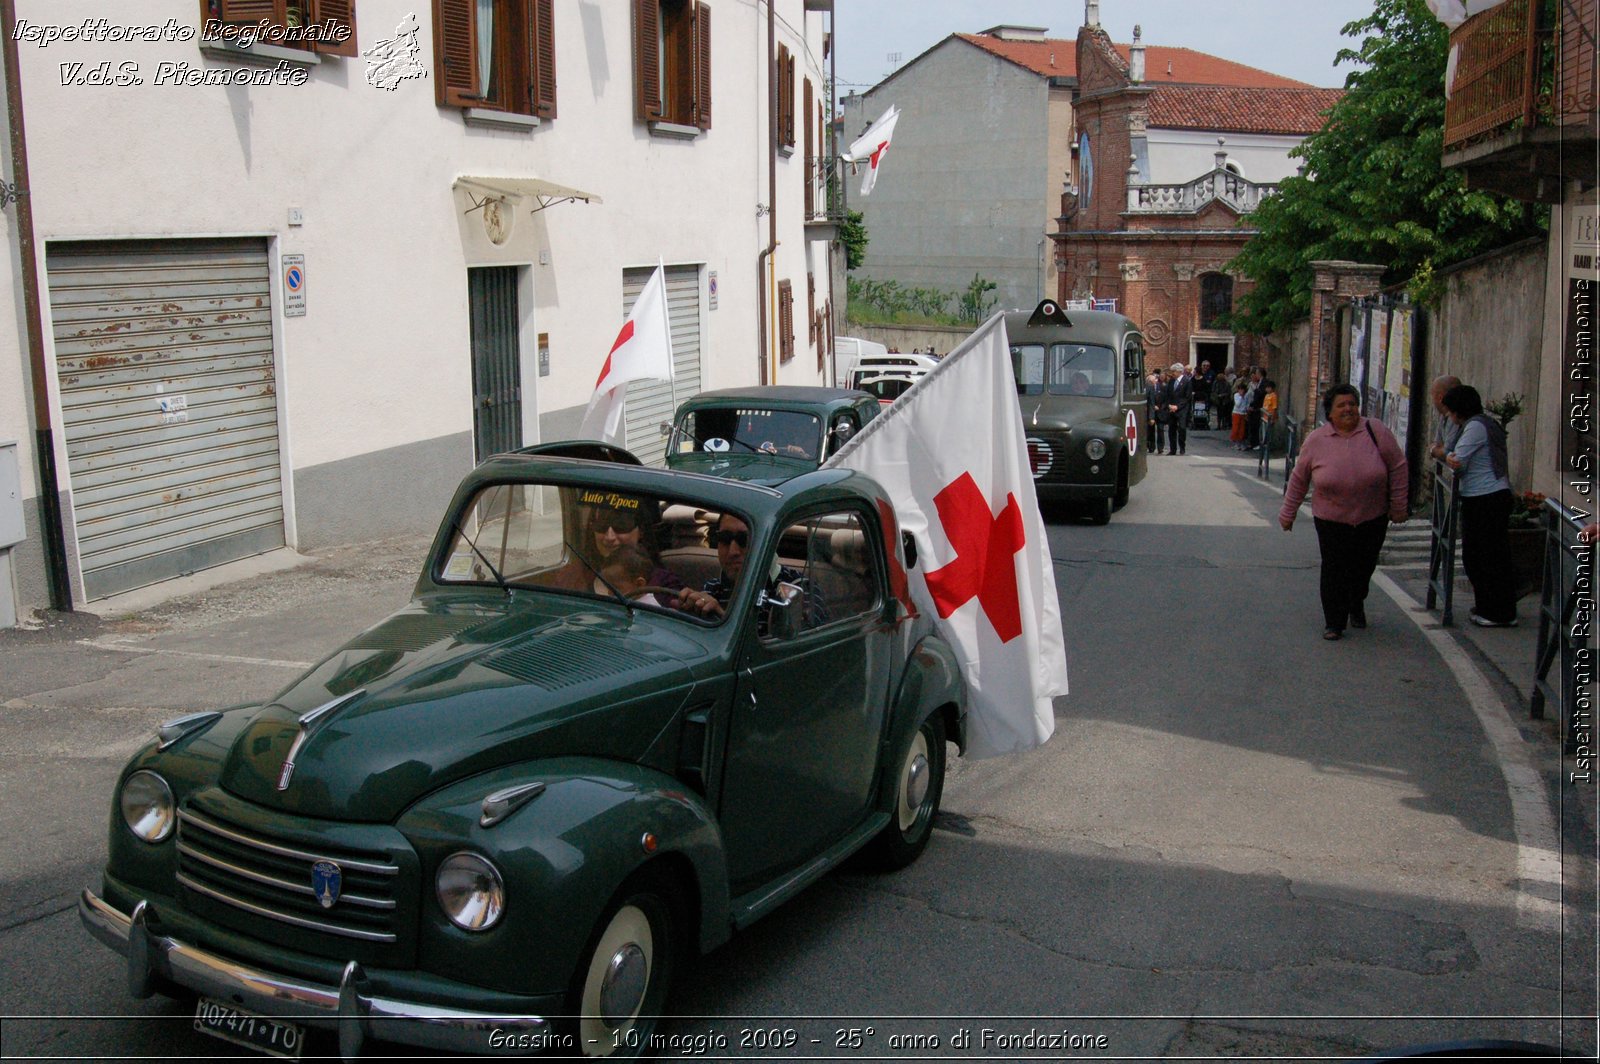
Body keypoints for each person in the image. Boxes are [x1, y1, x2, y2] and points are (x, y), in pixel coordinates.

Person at [1279, 384, 1409, 641]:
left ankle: (1356, 600)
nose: (1348, 409)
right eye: (1342, 405)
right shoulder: (1316, 440)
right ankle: (1334, 622)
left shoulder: (1375, 431)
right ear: (1330, 412)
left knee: (1363, 567)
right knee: (1334, 569)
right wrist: (1288, 512)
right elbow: (1299, 478)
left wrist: (1398, 505)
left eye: (1352, 404)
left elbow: (1398, 466)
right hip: (1331, 518)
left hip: (1372, 515)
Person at [1442, 384, 1517, 627]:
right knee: (1490, 556)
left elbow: (1456, 460)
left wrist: (1441, 454)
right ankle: (1493, 607)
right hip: (1491, 496)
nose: (1449, 416)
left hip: (1485, 498)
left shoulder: (1475, 427)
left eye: (1450, 411)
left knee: (1481, 558)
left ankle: (1496, 612)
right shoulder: (1484, 423)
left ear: (1458, 410)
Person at [674, 512, 827, 630]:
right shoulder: (714, 588)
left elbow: (796, 655)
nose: (733, 551)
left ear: (768, 543)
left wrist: (721, 616)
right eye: (725, 539)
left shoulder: (801, 589)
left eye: (744, 540)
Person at [551, 498, 685, 594]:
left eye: (621, 525)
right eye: (601, 526)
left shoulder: (664, 585)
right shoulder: (570, 577)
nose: (609, 537)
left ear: (641, 531)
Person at [597, 545, 664, 606]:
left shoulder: (649, 610)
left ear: (639, 584)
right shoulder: (627, 603)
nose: (609, 593)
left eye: (615, 588)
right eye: (608, 588)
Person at [1427, 374, 1463, 464]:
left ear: (1440, 398)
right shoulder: (1444, 415)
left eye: (1433, 396)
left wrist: (1434, 450)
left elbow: (1446, 452)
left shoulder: (1456, 417)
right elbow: (1437, 443)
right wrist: (1436, 449)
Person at [1163, 363, 1193, 455]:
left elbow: (1187, 397)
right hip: (1171, 409)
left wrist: (1178, 406)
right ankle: (1173, 449)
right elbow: (1167, 395)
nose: (1172, 373)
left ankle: (1182, 447)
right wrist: (1169, 405)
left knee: (1182, 428)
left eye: (1174, 371)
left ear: (1179, 371)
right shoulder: (1171, 381)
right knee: (1172, 429)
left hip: (1182, 409)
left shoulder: (1187, 381)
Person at [1148, 371, 1168, 456]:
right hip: (1151, 411)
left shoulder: (1162, 387)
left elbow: (1166, 399)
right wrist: (1152, 407)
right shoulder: (1148, 388)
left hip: (1160, 411)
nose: (1152, 382)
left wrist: (1160, 407)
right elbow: (1149, 400)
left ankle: (1160, 448)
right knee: (1150, 430)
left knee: (1160, 430)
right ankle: (1151, 447)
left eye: (1152, 381)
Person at [1211, 366, 1234, 431]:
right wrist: (1216, 396)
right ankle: (1219, 425)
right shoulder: (1216, 383)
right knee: (1219, 413)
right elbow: (1213, 390)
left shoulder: (1227, 384)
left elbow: (1229, 392)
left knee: (1224, 413)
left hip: (1225, 400)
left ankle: (1224, 425)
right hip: (1218, 400)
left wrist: (1222, 395)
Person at [1260, 379, 1280, 451]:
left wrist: (1273, 418)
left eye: (1268, 387)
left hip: (1270, 417)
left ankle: (1268, 447)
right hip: (1264, 417)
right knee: (1264, 432)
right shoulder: (1266, 396)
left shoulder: (1273, 396)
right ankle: (1264, 446)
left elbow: (1274, 408)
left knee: (1268, 433)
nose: (1267, 389)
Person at [1230, 381, 1250, 449]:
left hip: (1243, 413)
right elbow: (1237, 404)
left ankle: (1241, 441)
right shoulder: (1236, 395)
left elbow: (1247, 404)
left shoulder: (1246, 396)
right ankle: (1235, 442)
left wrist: (1247, 412)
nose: (1241, 391)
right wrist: (1241, 397)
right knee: (1236, 428)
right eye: (1239, 389)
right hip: (1236, 413)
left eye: (1242, 389)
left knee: (1242, 429)